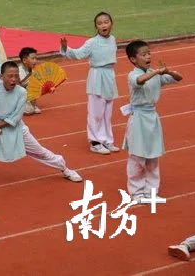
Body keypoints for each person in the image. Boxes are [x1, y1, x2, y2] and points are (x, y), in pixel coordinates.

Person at [0, 62, 83, 194]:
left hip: (16, 131)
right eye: (10, 76)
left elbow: (15, 117)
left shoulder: (22, 92)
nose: (13, 79)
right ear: (1, 77)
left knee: (40, 152)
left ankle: (64, 168)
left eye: (16, 76)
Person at [123, 40, 183, 203]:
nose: (148, 56)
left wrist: (168, 71)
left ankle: (151, 191)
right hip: (139, 119)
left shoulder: (155, 74)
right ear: (133, 59)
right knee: (137, 157)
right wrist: (156, 72)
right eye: (143, 54)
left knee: (153, 156)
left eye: (148, 53)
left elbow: (179, 78)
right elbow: (140, 80)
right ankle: (136, 192)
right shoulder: (133, 75)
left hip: (152, 119)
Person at [60, 12, 118, 155]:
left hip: (110, 76)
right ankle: (95, 142)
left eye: (106, 22)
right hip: (96, 76)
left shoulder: (113, 39)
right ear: (96, 27)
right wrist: (66, 48)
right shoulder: (92, 42)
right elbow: (78, 54)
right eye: (100, 23)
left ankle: (106, 140)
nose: (103, 25)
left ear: (111, 23)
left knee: (107, 112)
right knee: (96, 112)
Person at [18, 47, 41, 115]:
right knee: (29, 111)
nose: (35, 61)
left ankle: (33, 105)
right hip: (16, 97)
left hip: (25, 96)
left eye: (36, 58)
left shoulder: (33, 71)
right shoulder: (19, 71)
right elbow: (19, 87)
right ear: (24, 60)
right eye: (33, 58)